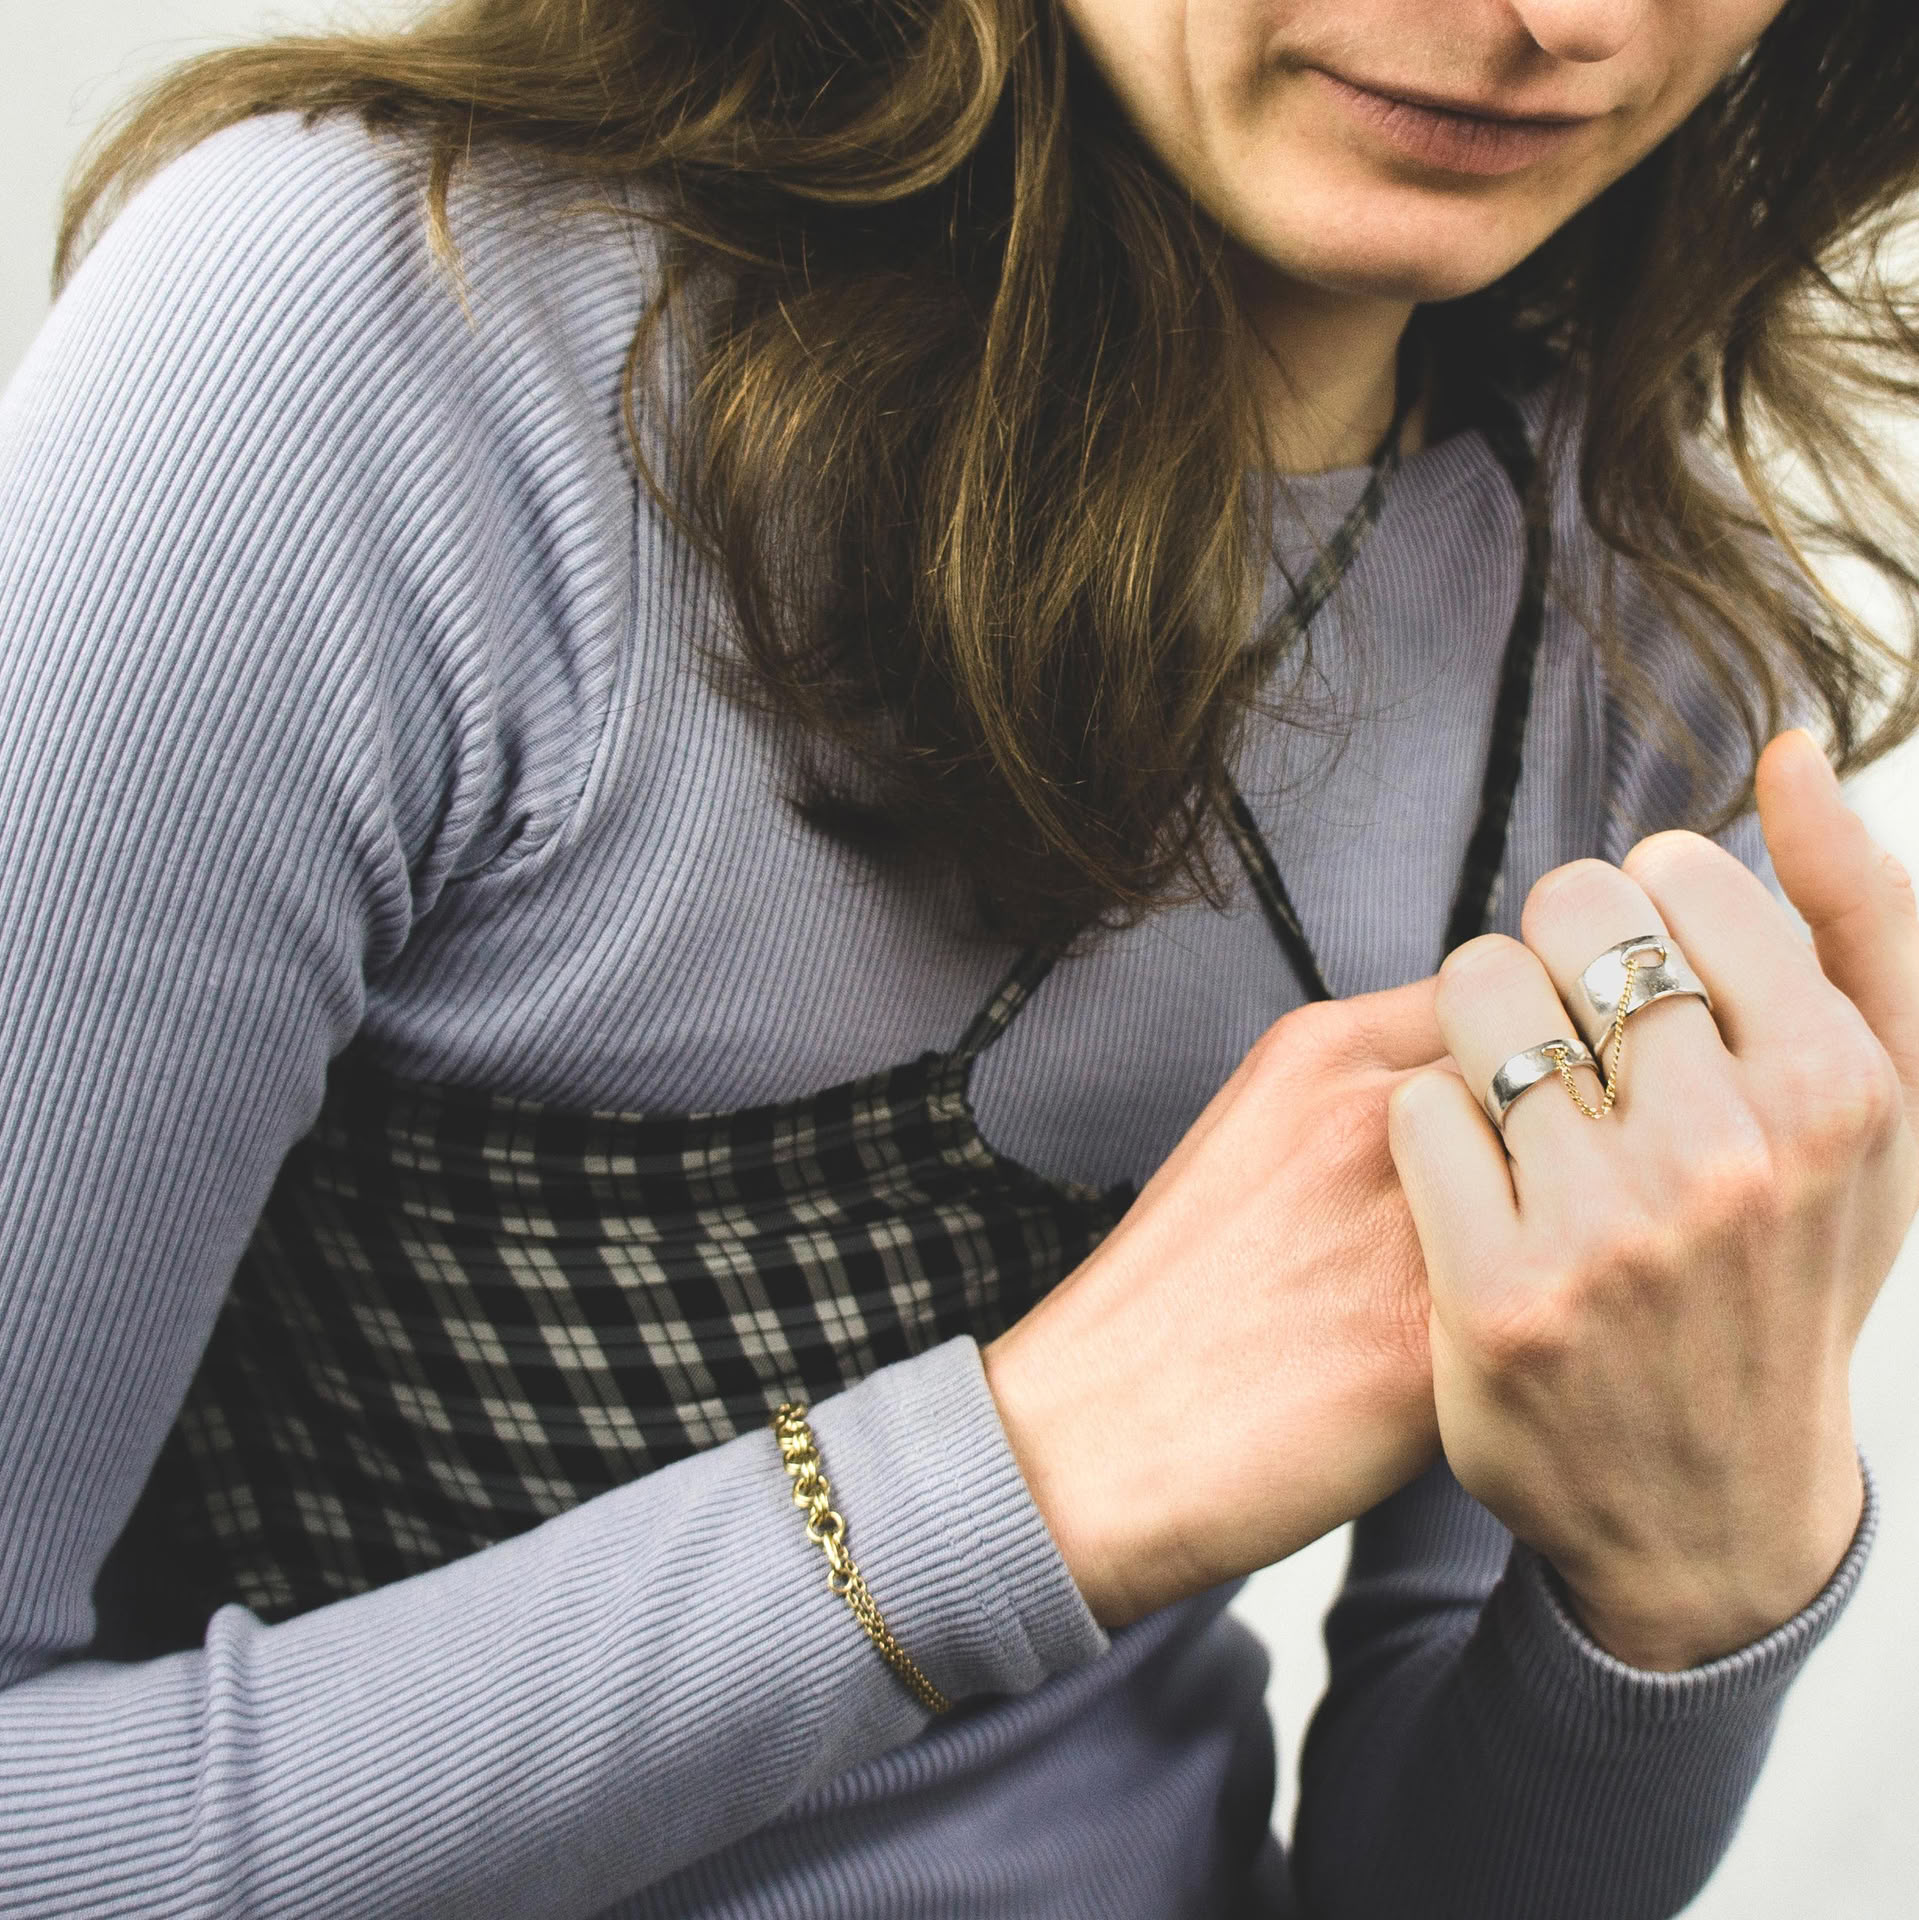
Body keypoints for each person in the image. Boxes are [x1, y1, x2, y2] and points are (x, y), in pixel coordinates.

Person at [3, 0, 1918, 1912]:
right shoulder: (370, 352)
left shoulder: (1619, 645)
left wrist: (1702, 1577)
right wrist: (1022, 1484)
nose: (1563, 20)